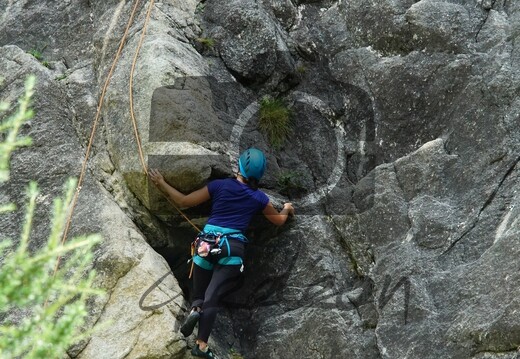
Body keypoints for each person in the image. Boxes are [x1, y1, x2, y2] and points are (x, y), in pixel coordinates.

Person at [148, 148, 295, 358]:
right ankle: (201, 346)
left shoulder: (220, 185)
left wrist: (161, 182)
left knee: (199, 294)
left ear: (240, 167)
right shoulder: (259, 198)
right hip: (231, 248)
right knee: (213, 295)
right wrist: (287, 208)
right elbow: (279, 221)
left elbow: (183, 201)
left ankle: (196, 309)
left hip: (205, 244)